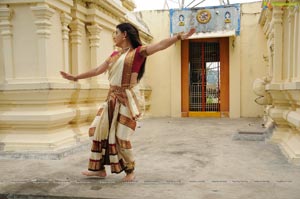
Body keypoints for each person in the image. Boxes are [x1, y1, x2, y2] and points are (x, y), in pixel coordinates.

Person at [60, 23, 195, 182]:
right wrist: (75, 77)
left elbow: (159, 45)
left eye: (115, 32)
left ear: (124, 34)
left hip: (127, 99)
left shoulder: (138, 52)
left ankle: (130, 170)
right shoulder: (114, 55)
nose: (113, 36)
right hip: (111, 99)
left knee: (121, 136)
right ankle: (99, 169)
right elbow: (97, 70)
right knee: (98, 131)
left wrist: (179, 37)